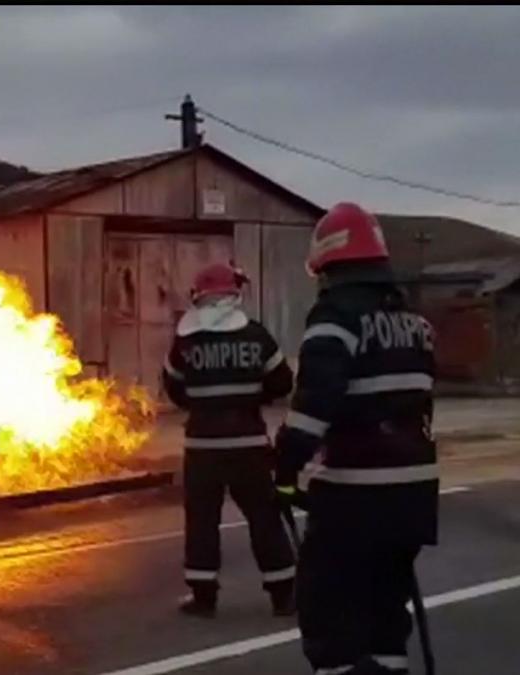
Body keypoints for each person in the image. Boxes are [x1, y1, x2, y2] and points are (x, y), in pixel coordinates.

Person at [274, 202, 438, 674]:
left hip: (355, 498)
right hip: (413, 497)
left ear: (330, 265)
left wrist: (283, 472)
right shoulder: (415, 323)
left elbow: (312, 410)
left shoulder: (333, 318)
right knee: (386, 617)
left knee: (329, 618)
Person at [162, 262, 297, 618]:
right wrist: (253, 396)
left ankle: (203, 596)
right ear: (232, 295)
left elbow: (173, 387)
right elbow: (283, 382)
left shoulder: (186, 340)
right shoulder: (255, 335)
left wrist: (203, 403)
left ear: (199, 296)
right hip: (248, 444)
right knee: (264, 517)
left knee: (202, 521)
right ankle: (283, 594)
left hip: (202, 446)